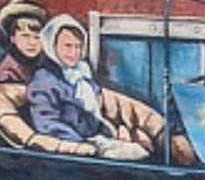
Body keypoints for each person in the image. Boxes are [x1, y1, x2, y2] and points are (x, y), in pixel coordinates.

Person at [26, 14, 150, 161]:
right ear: (52, 45)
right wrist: (81, 143)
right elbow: (47, 123)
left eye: (78, 47)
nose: (74, 53)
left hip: (94, 139)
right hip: (70, 148)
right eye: (67, 46)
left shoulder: (82, 74)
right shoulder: (43, 81)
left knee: (139, 152)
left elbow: (96, 107)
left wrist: (112, 133)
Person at [0, 0, 47, 84]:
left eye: (37, 37)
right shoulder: (7, 74)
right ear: (12, 38)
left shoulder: (45, 65)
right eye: (25, 36)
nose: (32, 42)